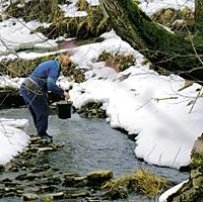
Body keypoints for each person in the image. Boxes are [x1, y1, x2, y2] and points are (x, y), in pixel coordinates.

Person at [20, 53, 71, 143]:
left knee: (37, 112)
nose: (65, 70)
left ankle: (40, 133)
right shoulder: (55, 67)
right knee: (43, 110)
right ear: (64, 64)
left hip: (25, 87)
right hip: (33, 88)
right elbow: (50, 85)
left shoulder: (51, 63)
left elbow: (43, 80)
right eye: (67, 67)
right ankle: (42, 135)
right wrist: (63, 92)